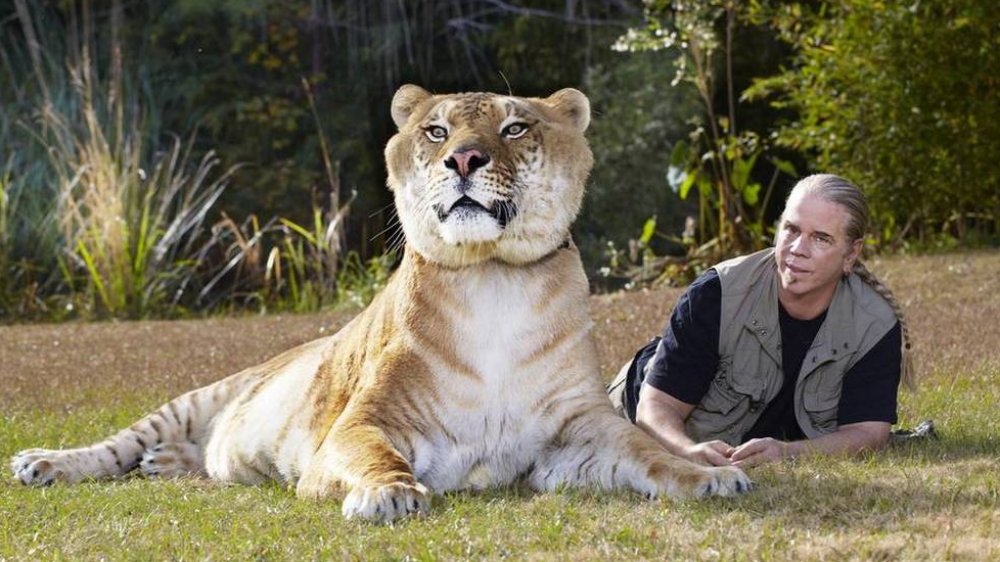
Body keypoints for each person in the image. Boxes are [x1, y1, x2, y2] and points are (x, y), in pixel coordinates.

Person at [607, 174, 913, 469]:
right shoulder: (718, 293)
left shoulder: (874, 323)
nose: (797, 250)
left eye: (820, 238)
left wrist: (787, 452)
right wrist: (687, 451)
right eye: (791, 230)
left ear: (851, 253)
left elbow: (868, 433)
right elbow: (656, 407)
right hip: (635, 405)